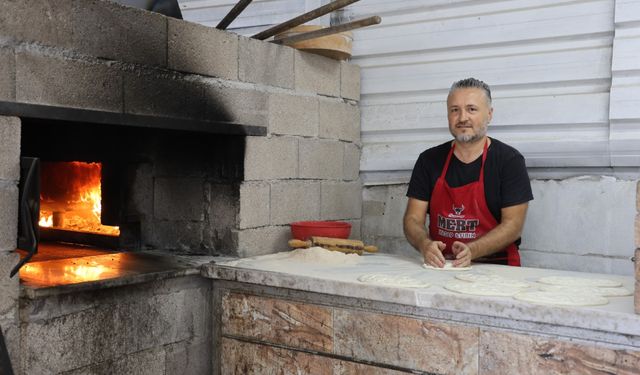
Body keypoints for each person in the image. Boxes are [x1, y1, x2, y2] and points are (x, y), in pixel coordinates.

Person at [403, 78, 533, 268]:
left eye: (472, 109)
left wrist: (473, 250)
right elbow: (413, 219)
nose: (462, 117)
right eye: (455, 110)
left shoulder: (509, 161)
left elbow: (513, 226)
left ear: (489, 114)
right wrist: (425, 245)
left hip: (497, 267)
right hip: (443, 266)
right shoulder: (428, 160)